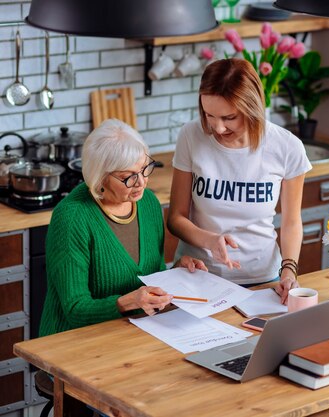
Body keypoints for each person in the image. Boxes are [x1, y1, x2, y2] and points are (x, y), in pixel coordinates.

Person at [40, 119, 207, 338]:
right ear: (100, 177)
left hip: (133, 335)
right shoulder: (72, 218)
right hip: (73, 344)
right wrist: (125, 303)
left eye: (144, 169)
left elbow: (151, 278)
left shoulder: (148, 203)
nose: (141, 183)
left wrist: (177, 273)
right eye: (128, 177)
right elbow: (75, 309)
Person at [168, 58, 312, 303]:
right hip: (198, 277)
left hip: (262, 281)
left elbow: (291, 222)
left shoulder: (286, 146)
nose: (218, 128)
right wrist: (209, 240)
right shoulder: (191, 136)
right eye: (209, 115)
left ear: (252, 107)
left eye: (229, 117)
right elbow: (175, 218)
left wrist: (289, 270)